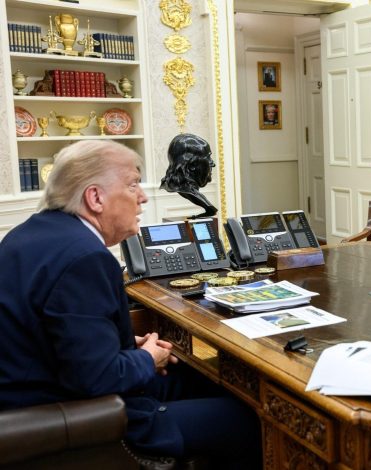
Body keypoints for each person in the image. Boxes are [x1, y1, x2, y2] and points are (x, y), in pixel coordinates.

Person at [0, 140, 261, 467]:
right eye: (133, 184)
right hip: (83, 415)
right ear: (95, 198)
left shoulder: (28, 233)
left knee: (202, 378)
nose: (143, 197)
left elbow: (59, 333)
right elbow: (96, 379)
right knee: (247, 416)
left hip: (36, 394)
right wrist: (147, 358)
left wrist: (122, 347)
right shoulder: (85, 258)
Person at [160, 133, 217, 218]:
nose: (213, 164)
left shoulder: (191, 191)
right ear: (192, 165)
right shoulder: (185, 190)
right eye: (208, 157)